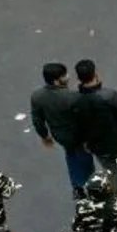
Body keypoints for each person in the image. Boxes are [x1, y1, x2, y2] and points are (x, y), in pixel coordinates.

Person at [73, 58, 117, 200]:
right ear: (95, 74)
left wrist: (86, 143)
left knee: (110, 171)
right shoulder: (110, 95)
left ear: (78, 78)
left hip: (99, 148)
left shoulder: (77, 101)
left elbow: (79, 126)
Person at [30, 62, 92, 197]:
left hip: (60, 135)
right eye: (64, 75)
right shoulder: (72, 96)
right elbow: (83, 119)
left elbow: (37, 120)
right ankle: (91, 183)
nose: (68, 76)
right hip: (78, 135)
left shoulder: (37, 96)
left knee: (70, 155)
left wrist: (44, 136)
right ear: (56, 81)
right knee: (85, 157)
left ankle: (77, 186)